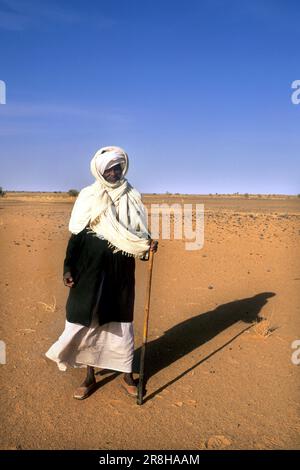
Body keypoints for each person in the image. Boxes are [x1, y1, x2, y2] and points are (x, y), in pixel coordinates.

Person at [45, 146, 158, 400]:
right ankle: (89, 376)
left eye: (118, 167)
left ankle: (127, 375)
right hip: (88, 272)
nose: (114, 172)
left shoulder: (132, 196)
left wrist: (146, 245)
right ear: (99, 170)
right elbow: (75, 237)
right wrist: (67, 268)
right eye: (109, 168)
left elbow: (139, 234)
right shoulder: (88, 196)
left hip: (120, 274)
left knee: (121, 325)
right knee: (87, 323)